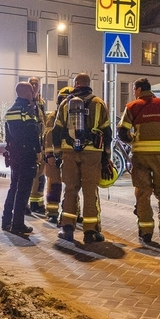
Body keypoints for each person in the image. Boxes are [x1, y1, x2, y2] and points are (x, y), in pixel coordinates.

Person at [117, 78, 160, 244]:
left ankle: (146, 233)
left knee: (142, 193)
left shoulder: (132, 107)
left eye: (134, 90)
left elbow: (122, 132)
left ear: (138, 90)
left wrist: (134, 140)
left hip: (140, 156)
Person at [52, 73, 111, 244]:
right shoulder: (99, 103)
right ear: (89, 84)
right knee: (90, 190)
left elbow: (56, 131)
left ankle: (67, 228)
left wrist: (57, 154)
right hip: (93, 153)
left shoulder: (65, 103)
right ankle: (90, 232)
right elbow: (107, 133)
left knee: (70, 189)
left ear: (76, 84)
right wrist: (106, 157)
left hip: (69, 152)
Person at [1, 82, 42, 236]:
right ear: (27, 93)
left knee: (14, 187)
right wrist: (37, 151)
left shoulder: (11, 110)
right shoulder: (28, 110)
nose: (34, 94)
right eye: (32, 91)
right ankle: (18, 224)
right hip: (27, 154)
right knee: (23, 190)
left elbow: (8, 135)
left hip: (15, 154)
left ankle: (6, 220)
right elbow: (32, 133)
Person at [42, 87, 70, 224]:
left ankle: (71, 213)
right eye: (63, 99)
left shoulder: (73, 115)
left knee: (72, 185)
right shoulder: (53, 116)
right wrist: (49, 155)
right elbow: (48, 137)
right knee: (54, 185)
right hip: (54, 155)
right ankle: (52, 212)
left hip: (68, 155)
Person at [26, 76, 48, 215]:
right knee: (30, 175)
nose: (34, 86)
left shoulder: (41, 102)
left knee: (40, 175)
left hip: (40, 143)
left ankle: (37, 203)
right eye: (32, 83)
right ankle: (25, 203)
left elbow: (43, 120)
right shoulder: (26, 102)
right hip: (30, 145)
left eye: (36, 84)